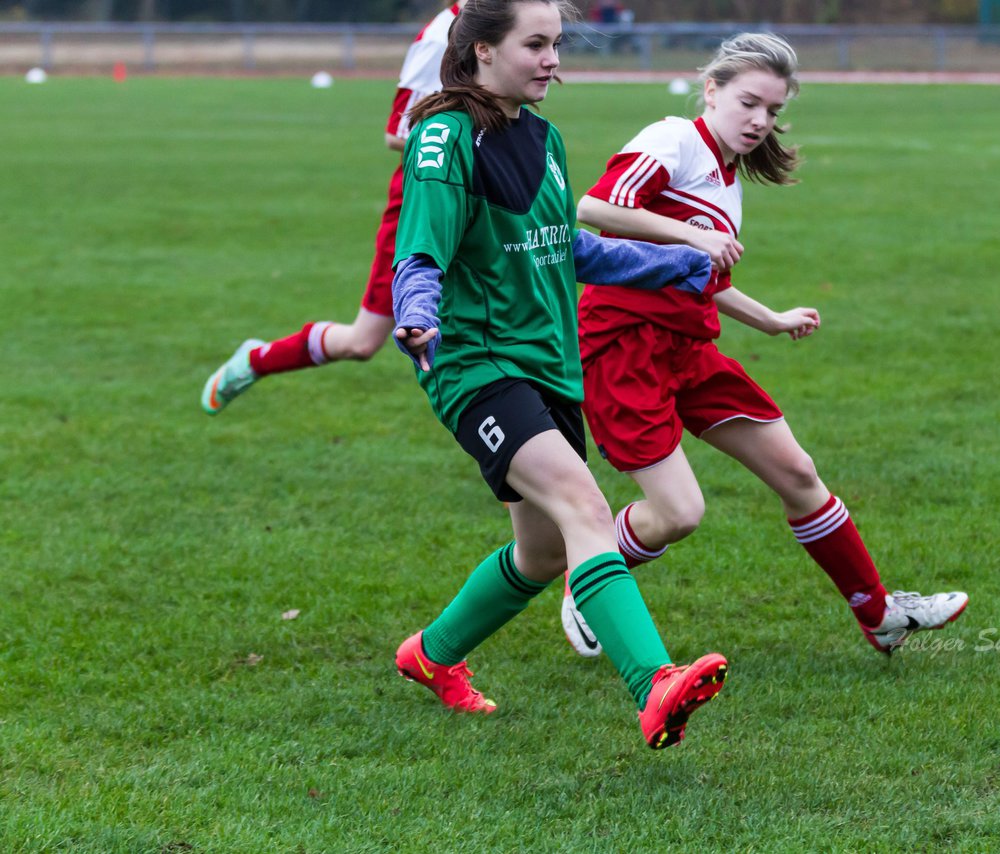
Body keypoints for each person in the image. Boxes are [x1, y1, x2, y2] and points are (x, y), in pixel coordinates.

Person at [559, 33, 968, 659]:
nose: (760, 121)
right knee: (677, 514)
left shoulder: (729, 182)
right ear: (712, 90)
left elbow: (706, 280)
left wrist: (770, 320)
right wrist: (688, 238)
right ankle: (588, 574)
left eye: (773, 111)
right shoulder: (674, 137)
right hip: (623, 349)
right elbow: (592, 209)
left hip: (689, 349)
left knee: (798, 472)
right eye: (750, 103)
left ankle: (879, 614)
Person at [390, 0, 729, 750]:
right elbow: (418, 250)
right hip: (479, 365)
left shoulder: (542, 136)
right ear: (480, 51)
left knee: (542, 553)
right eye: (535, 44)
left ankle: (432, 654)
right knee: (583, 505)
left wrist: (676, 264)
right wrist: (418, 313)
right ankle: (654, 683)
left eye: (557, 44)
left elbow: (565, 247)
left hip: (549, 366)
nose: (553, 60)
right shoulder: (445, 137)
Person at [200, 2, 466, 415]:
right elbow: (397, 134)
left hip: (485, 196)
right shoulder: (441, 37)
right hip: (424, 200)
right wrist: (464, 144)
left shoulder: (510, 23)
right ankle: (256, 360)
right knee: (362, 342)